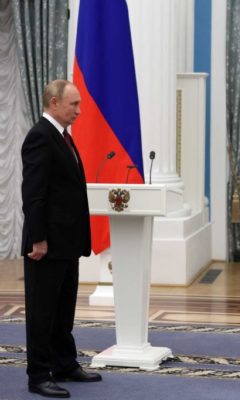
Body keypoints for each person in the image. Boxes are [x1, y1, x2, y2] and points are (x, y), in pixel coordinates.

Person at [21, 80, 102, 398]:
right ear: (54, 103)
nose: (79, 110)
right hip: (46, 246)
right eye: (74, 104)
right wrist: (38, 239)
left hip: (66, 243)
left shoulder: (62, 136)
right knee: (42, 312)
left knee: (62, 310)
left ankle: (64, 364)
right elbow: (34, 194)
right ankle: (39, 375)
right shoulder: (40, 136)